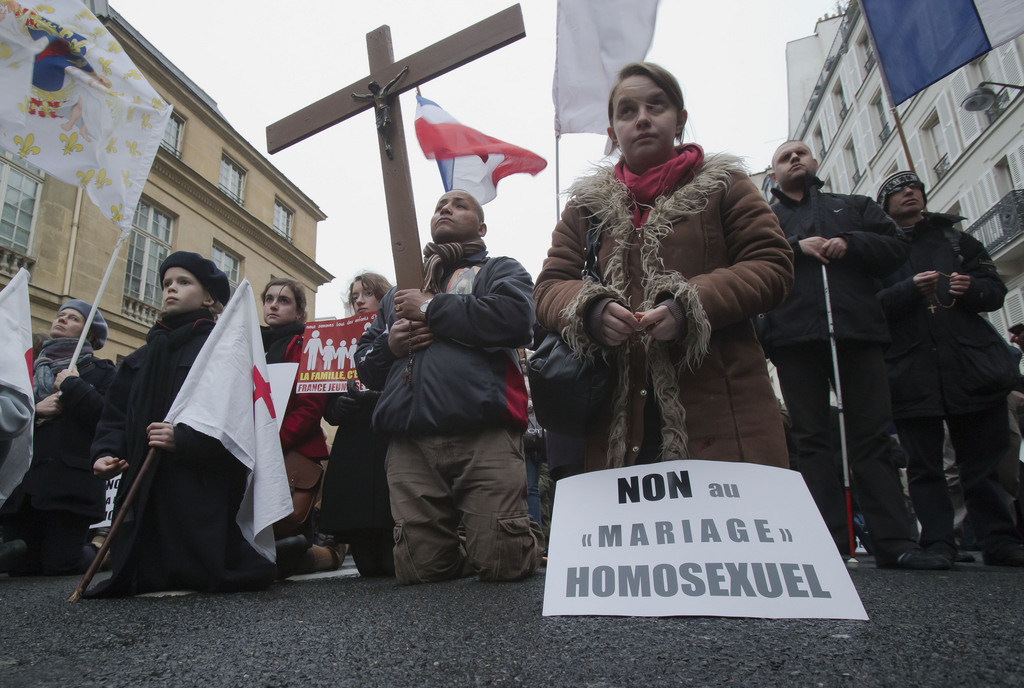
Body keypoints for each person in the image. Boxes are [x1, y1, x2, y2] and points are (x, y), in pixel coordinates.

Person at [534, 62, 794, 471]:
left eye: (656, 106)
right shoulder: (584, 208)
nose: (642, 119)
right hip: (613, 431)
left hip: (725, 418)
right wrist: (592, 310)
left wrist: (688, 307)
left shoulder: (726, 185)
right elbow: (548, 289)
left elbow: (772, 265)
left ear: (680, 121)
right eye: (627, 111)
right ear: (612, 133)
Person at [758, 142, 949, 570]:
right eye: (785, 156)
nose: (795, 159)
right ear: (772, 173)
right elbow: (747, 265)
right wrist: (795, 248)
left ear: (815, 162)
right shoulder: (764, 219)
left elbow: (896, 248)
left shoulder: (854, 205)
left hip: (858, 332)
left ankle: (896, 542)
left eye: (802, 152)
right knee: (811, 441)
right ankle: (825, 543)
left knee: (872, 436)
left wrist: (851, 242)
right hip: (794, 338)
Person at [356, 190, 543, 585]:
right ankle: (468, 543)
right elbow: (365, 366)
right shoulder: (394, 296)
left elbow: (516, 319)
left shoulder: (499, 269)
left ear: (481, 227)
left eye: (460, 205)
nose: (446, 208)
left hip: (484, 430)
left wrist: (430, 308)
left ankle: (516, 539)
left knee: (502, 564)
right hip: (409, 441)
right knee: (419, 569)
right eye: (440, 205)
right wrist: (390, 345)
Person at [87, 251, 276, 596]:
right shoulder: (138, 359)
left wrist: (185, 440)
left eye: (183, 282)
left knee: (202, 573)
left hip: (196, 480)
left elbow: (234, 419)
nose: (170, 289)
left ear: (208, 298)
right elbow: (115, 415)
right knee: (146, 575)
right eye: (167, 283)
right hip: (143, 483)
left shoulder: (221, 352)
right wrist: (105, 453)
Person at [876, 171, 1024, 567]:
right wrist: (910, 289)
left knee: (983, 463)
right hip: (910, 369)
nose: (909, 193)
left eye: (915, 188)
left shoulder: (956, 240)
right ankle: (939, 542)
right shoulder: (879, 248)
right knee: (925, 466)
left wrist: (970, 288)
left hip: (969, 364)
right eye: (898, 190)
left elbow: (995, 291)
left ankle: (1001, 540)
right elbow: (870, 306)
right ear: (884, 204)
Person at [0, 300, 114, 575]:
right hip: (24, 488)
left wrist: (73, 387)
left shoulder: (102, 371)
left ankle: (102, 553)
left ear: (89, 335)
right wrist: (35, 411)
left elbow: (108, 419)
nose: (61, 320)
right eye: (60, 315)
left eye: (73, 318)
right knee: (20, 565)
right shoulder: (26, 370)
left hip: (69, 488)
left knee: (60, 564)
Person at [260, 277, 337, 576]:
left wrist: (273, 442)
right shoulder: (255, 345)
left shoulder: (307, 346)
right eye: (268, 299)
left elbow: (309, 407)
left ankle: (324, 554)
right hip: (261, 448)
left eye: (283, 300)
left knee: (291, 528)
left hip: (293, 450)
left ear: (300, 312)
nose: (273, 305)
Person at [321, 272, 395, 576]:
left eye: (367, 294)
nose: (360, 301)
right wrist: (338, 408)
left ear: (383, 297)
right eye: (355, 297)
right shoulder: (336, 339)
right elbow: (325, 402)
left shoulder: (397, 331)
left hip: (387, 436)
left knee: (391, 557)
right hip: (353, 441)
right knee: (366, 562)